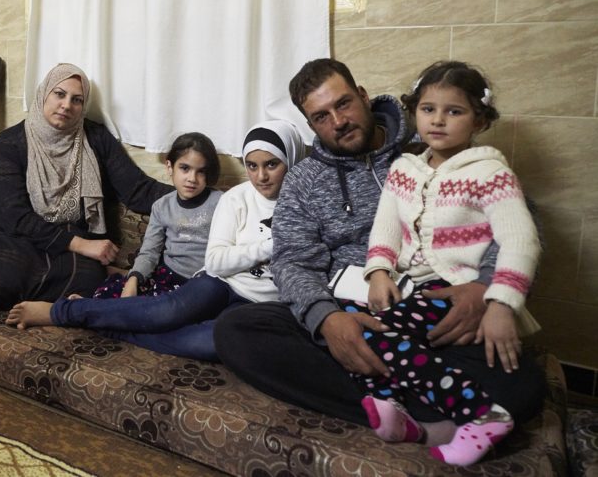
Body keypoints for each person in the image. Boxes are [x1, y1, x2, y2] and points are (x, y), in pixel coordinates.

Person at [213, 59, 545, 444]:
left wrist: (483, 289)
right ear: (310, 125)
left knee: (522, 387)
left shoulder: (429, 148)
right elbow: (291, 260)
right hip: (347, 307)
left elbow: (522, 224)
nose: (337, 121)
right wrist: (327, 321)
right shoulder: (303, 180)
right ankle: (419, 410)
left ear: (364, 96)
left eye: (343, 104)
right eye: (321, 116)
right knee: (237, 331)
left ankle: (401, 399)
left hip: (432, 309)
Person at [350, 61, 540, 466]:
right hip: (408, 288)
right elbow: (385, 229)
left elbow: (521, 240)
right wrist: (379, 271)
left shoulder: (491, 173)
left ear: (479, 120)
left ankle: (480, 414)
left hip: (455, 293)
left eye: (454, 111)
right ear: (414, 112)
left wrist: (502, 305)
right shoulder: (402, 169)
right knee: (350, 322)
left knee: (375, 333)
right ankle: (398, 410)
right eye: (427, 109)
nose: (437, 120)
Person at [5, 120, 306, 362]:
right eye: (252, 166)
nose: (261, 176)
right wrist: (135, 276)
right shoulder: (236, 198)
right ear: (170, 166)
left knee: (211, 345)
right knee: (164, 311)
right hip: (217, 282)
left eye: (272, 165)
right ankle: (62, 312)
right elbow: (213, 261)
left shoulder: (305, 207)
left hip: (256, 303)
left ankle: (109, 327)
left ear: (291, 161)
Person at [0, 63, 171, 310]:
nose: (66, 105)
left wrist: (201, 196)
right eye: (59, 94)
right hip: (12, 233)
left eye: (76, 99)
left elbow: (138, 190)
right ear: (44, 93)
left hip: (70, 230)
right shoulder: (9, 143)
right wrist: (81, 245)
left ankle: (35, 301)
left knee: (87, 286)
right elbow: (13, 214)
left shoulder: (96, 138)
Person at [94, 132, 222, 299]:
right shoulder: (162, 206)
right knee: (107, 292)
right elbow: (149, 251)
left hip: (204, 283)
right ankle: (87, 307)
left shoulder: (221, 202)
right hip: (168, 276)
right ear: (170, 167)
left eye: (201, 172)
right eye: (185, 168)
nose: (192, 178)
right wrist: (133, 280)